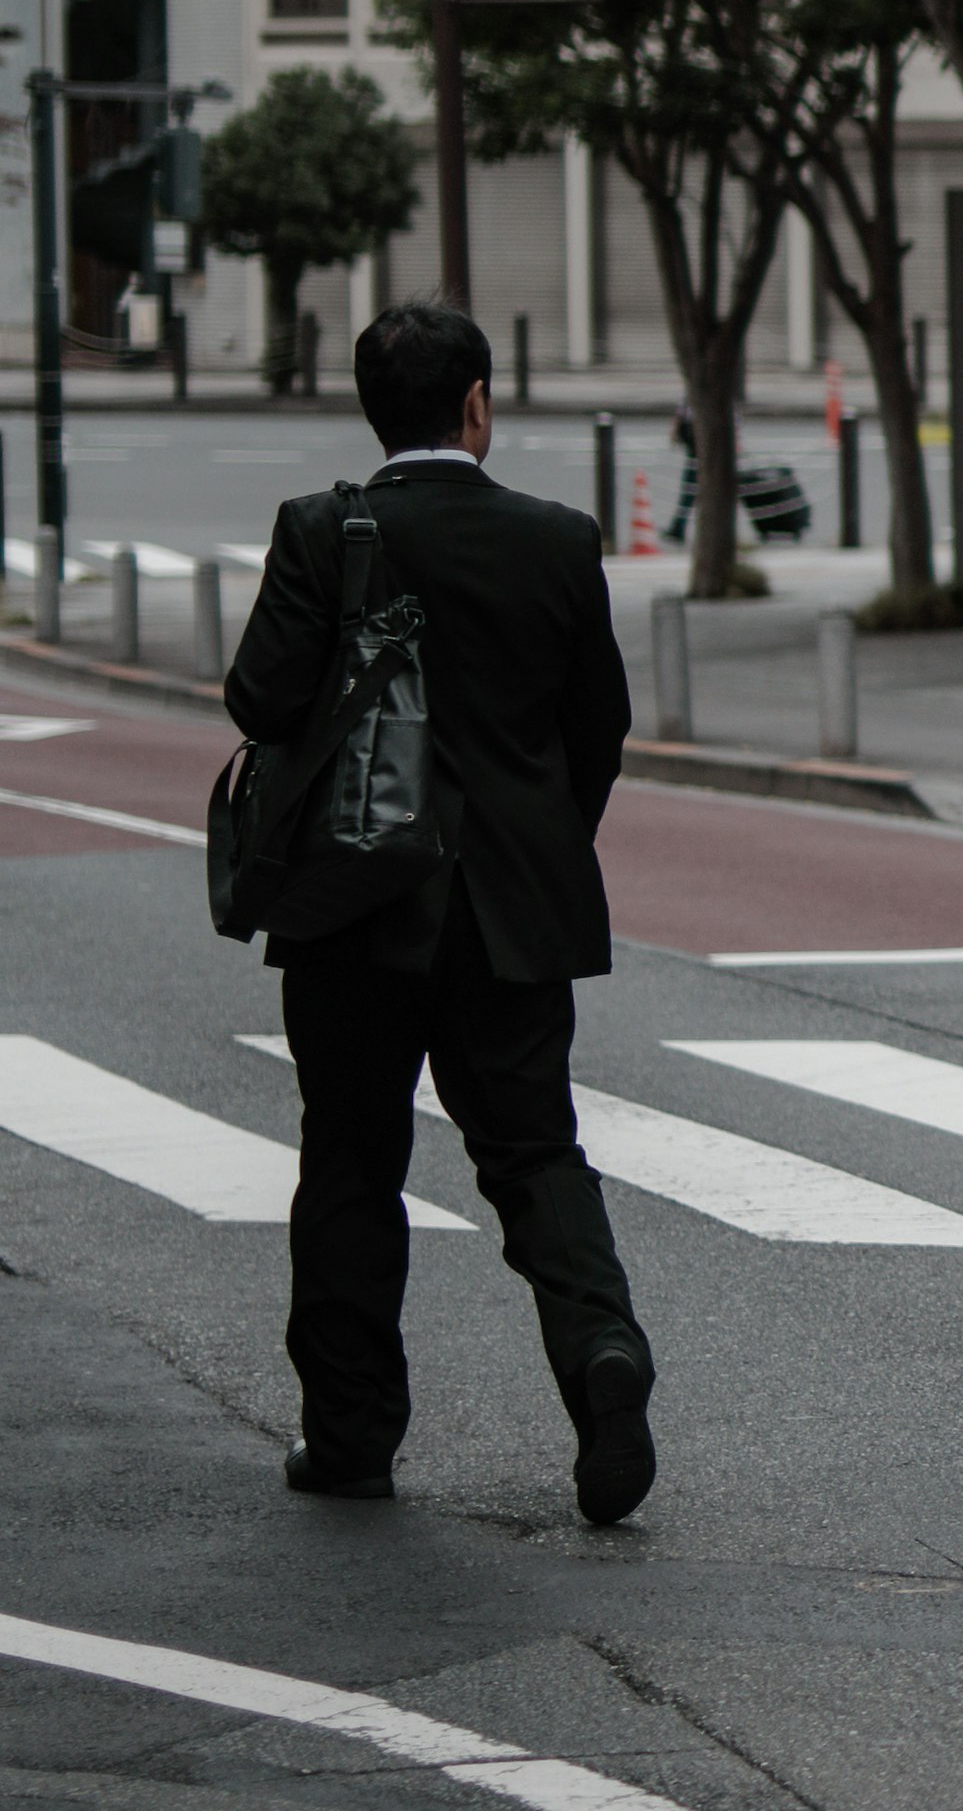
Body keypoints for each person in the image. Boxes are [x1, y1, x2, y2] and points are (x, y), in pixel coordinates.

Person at [225, 304, 655, 1524]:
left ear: (375, 410)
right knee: (533, 1153)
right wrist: (536, 839)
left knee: (352, 1161)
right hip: (510, 909)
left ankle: (351, 1438)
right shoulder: (558, 541)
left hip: (353, 910)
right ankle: (602, 1359)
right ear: (477, 406)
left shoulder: (322, 532)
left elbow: (260, 699)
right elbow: (597, 734)